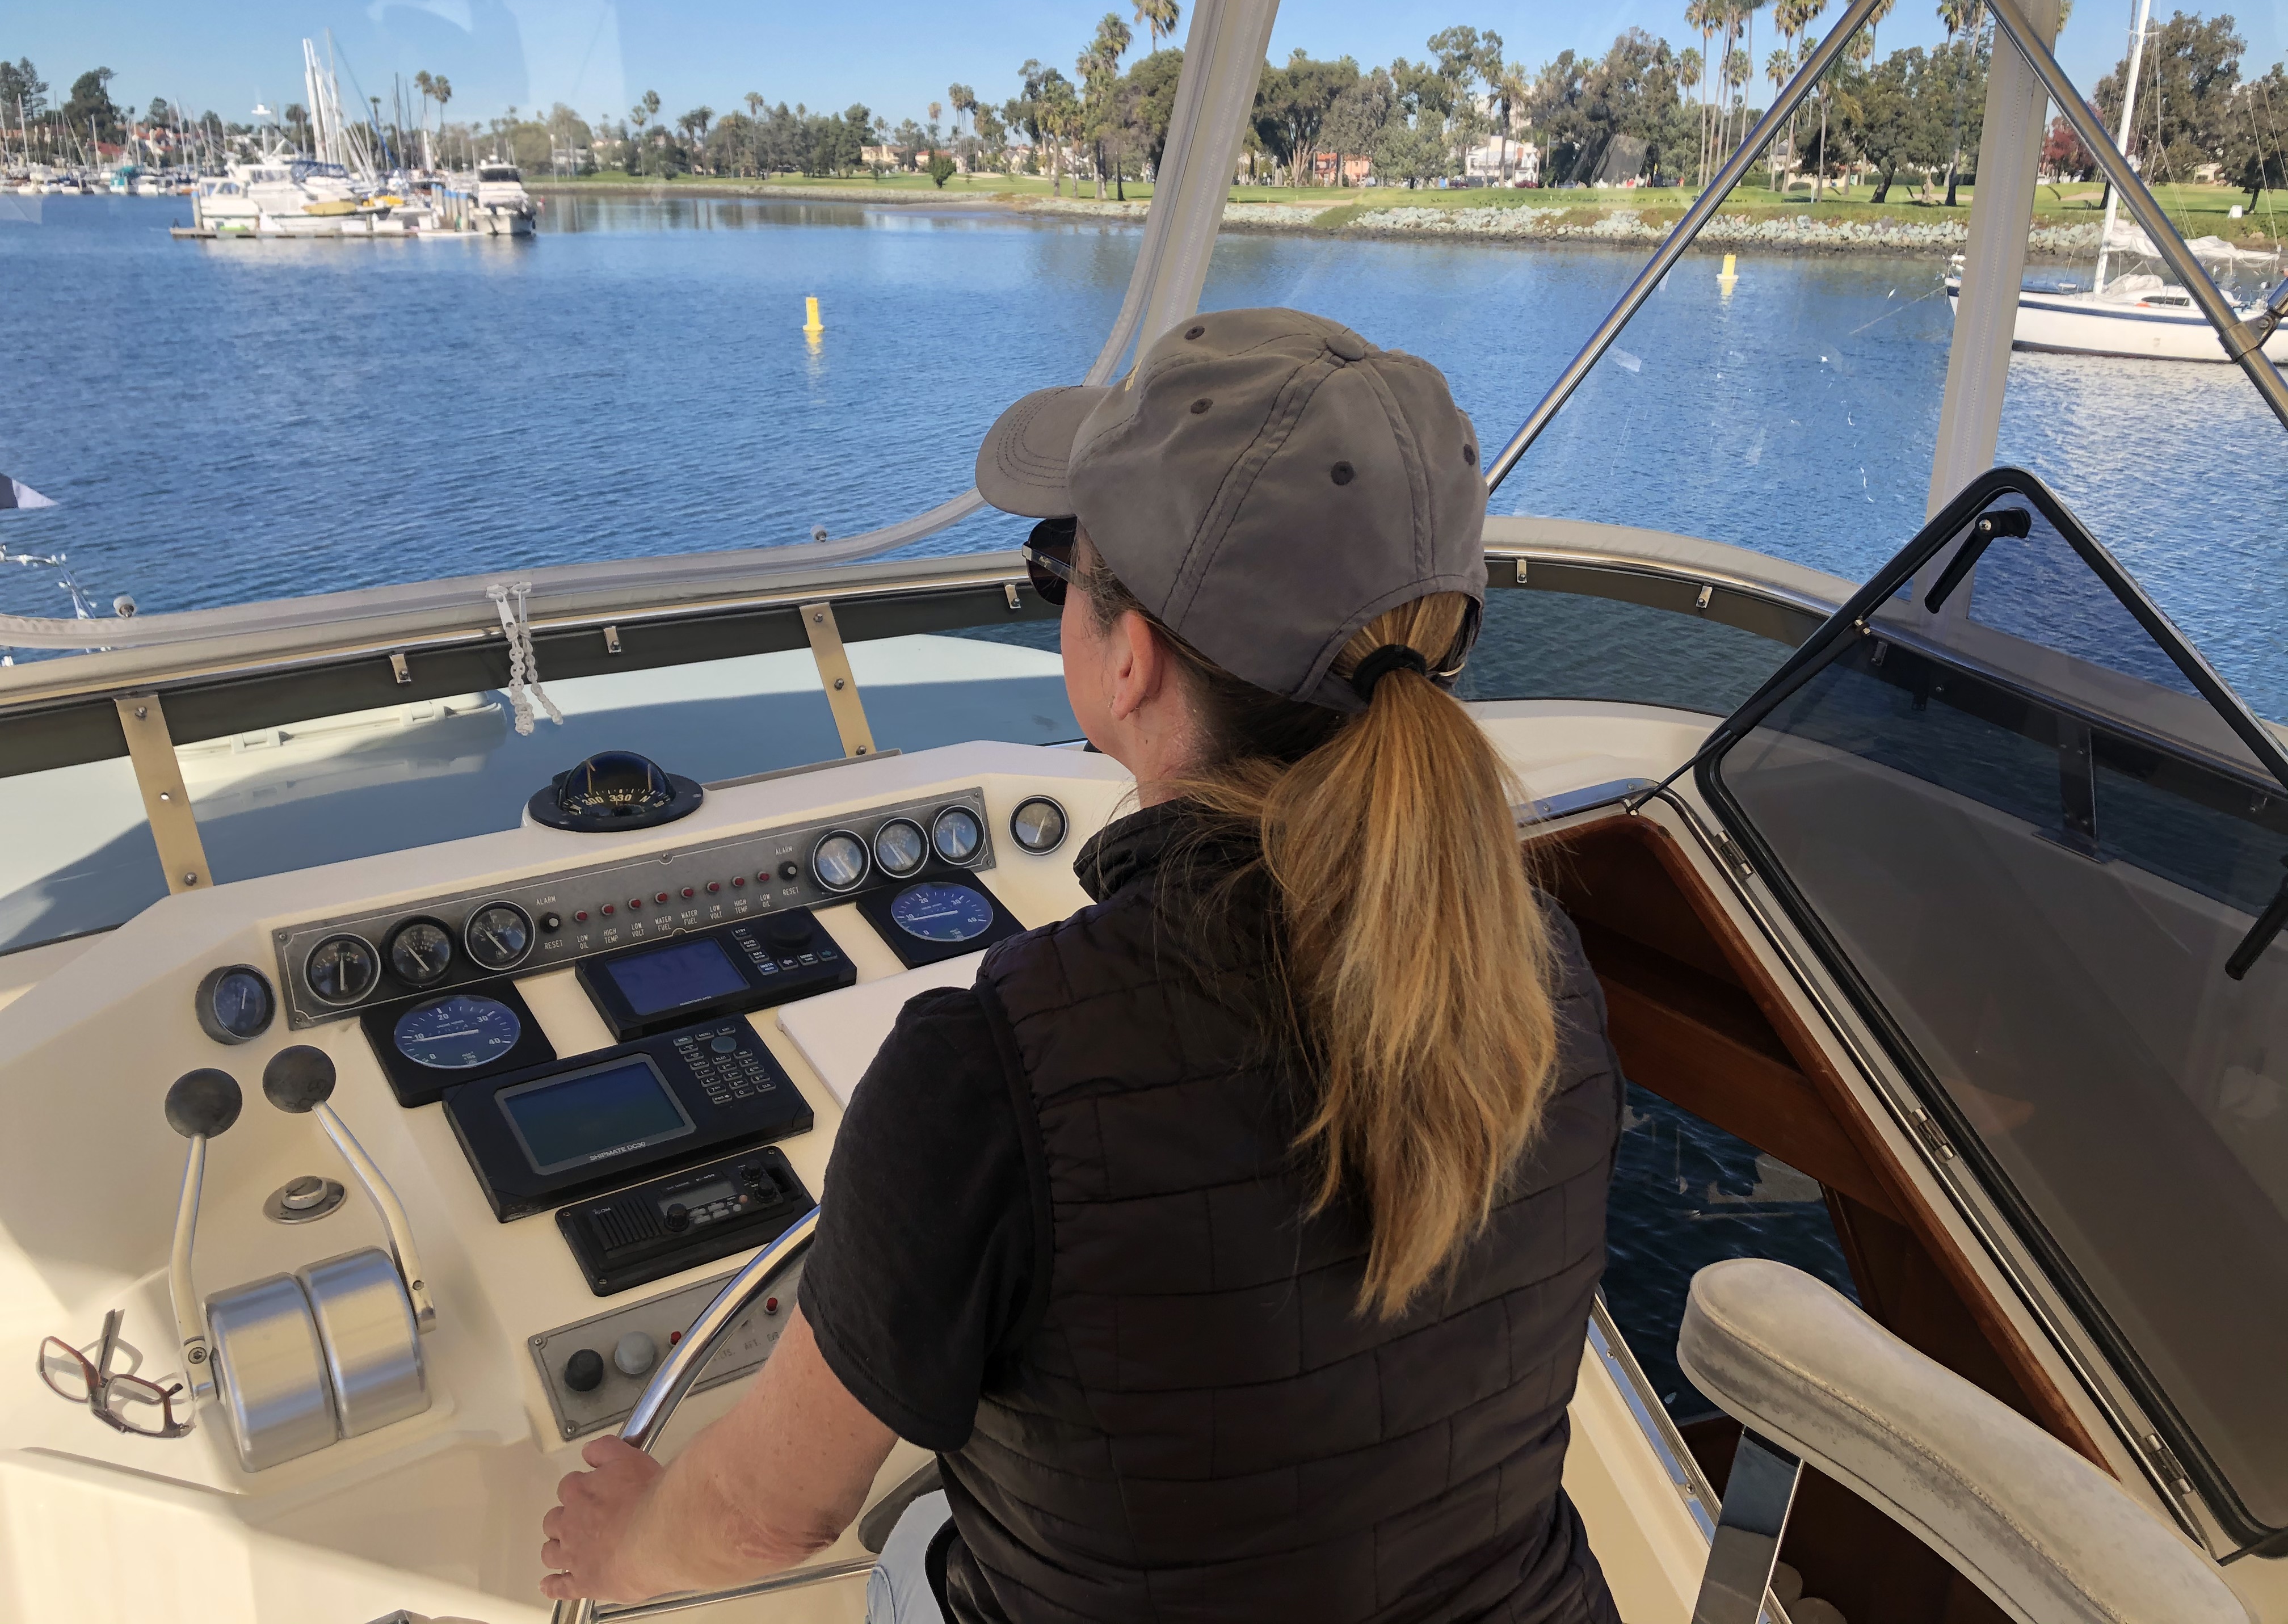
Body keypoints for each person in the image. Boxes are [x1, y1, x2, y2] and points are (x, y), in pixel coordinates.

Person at [541, 306, 1624, 1623]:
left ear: (1130, 652)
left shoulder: (989, 1073)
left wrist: (624, 1540)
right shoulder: (1540, 963)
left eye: (1067, 560)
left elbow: (767, 1518)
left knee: (899, 1552)